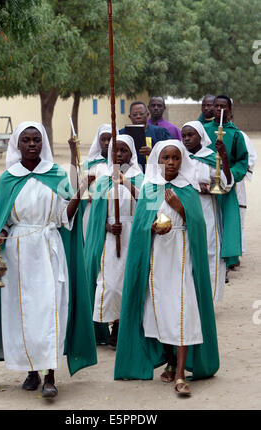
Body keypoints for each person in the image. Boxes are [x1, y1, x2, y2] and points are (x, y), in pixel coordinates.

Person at [0, 122, 97, 397]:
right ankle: (31, 370)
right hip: (18, 256)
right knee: (24, 313)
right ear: (18, 144)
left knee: (50, 309)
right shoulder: (9, 178)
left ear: (44, 143)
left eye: (36, 140)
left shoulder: (56, 174)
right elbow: (4, 220)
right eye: (26, 140)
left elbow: (64, 217)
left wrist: (80, 191)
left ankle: (50, 374)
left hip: (49, 249)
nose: (31, 145)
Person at [114, 140, 219, 396]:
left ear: (182, 160)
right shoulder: (151, 189)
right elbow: (142, 226)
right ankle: (171, 359)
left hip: (182, 257)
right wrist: (151, 227)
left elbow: (197, 226)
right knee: (160, 309)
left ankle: (181, 374)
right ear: (157, 161)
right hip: (158, 257)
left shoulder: (188, 189)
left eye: (175, 158)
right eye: (165, 158)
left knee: (183, 308)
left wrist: (180, 209)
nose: (170, 163)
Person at [84, 135, 144, 348]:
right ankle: (110, 323)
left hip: (134, 236)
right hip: (110, 238)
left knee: (129, 282)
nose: (119, 154)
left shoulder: (141, 178)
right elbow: (94, 216)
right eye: (115, 151)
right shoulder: (103, 180)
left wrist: (126, 183)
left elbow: (149, 206)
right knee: (110, 285)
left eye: (124, 150)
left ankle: (121, 326)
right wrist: (107, 226)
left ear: (131, 154)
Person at [181, 121, 233, 300]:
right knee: (186, 252)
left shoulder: (211, 157)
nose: (187, 139)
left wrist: (224, 158)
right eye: (184, 136)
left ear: (201, 136)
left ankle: (207, 299)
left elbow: (225, 185)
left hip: (206, 210)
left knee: (209, 250)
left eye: (191, 135)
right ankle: (189, 298)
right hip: (183, 211)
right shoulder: (178, 156)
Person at [204, 95, 248, 271]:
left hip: (225, 185)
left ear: (229, 110)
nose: (219, 110)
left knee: (225, 222)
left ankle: (226, 260)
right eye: (216, 106)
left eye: (223, 107)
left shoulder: (235, 134)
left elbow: (242, 161)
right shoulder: (204, 129)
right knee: (209, 222)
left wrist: (228, 175)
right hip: (205, 184)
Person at [68, 124, 118, 239]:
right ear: (98, 141)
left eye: (110, 139)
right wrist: (73, 154)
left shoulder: (120, 164)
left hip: (113, 211)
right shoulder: (90, 164)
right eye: (103, 139)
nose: (106, 143)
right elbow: (75, 186)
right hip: (92, 211)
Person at [228, 114, 257, 258]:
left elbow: (250, 158)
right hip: (215, 182)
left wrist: (234, 172)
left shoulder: (241, 136)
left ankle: (235, 253)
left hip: (236, 182)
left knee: (238, 216)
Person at [119, 101, 171, 172]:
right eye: (134, 115)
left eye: (141, 114)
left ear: (147, 114)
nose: (138, 117)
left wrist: (153, 153)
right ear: (130, 117)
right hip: (128, 173)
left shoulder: (160, 132)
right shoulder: (122, 134)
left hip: (155, 173)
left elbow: (171, 153)